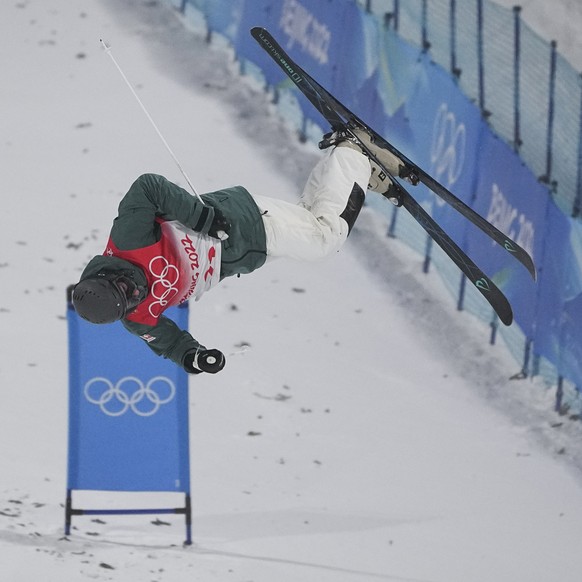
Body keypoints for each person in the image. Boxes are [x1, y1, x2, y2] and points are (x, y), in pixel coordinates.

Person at [72, 130, 403, 374]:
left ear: (108, 275)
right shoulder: (136, 316)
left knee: (323, 240)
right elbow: (168, 341)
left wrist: (202, 218)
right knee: (309, 219)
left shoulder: (127, 240)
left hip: (236, 224)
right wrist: (194, 357)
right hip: (244, 255)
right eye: (131, 298)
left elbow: (147, 186)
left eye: (125, 287)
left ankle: (354, 154)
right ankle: (348, 165)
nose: (136, 292)